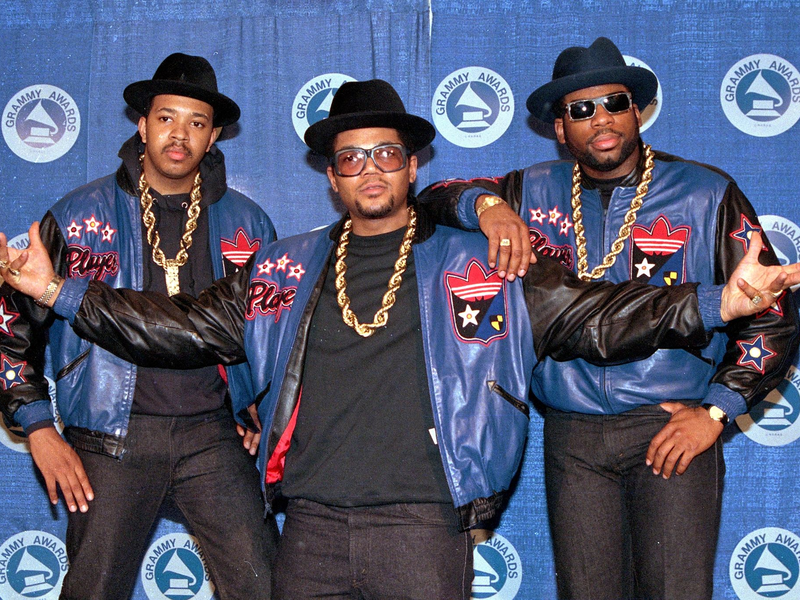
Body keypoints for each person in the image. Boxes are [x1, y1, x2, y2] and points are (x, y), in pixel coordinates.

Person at [1, 79, 797, 600]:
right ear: (333, 177)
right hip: (308, 527)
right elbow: (179, 328)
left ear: (413, 165)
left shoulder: (486, 258)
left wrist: (715, 302)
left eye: (386, 153)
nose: (370, 169)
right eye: (352, 158)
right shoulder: (284, 262)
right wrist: (56, 290)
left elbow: (599, 314)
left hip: (421, 528)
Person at [419, 37, 800, 600]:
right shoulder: (527, 190)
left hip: (669, 427)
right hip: (572, 434)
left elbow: (772, 310)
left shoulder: (706, 191)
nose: (602, 120)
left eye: (615, 103)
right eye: (581, 109)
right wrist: (488, 206)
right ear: (559, 127)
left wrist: (718, 411)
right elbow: (432, 197)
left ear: (637, 110)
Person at [0, 53, 279, 600]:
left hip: (213, 436)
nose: (180, 135)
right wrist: (37, 426)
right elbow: (10, 333)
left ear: (215, 134)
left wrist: (258, 412)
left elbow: (272, 336)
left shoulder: (249, 224)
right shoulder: (80, 217)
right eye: (167, 118)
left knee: (266, 585)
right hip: (109, 436)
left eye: (197, 123)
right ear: (142, 123)